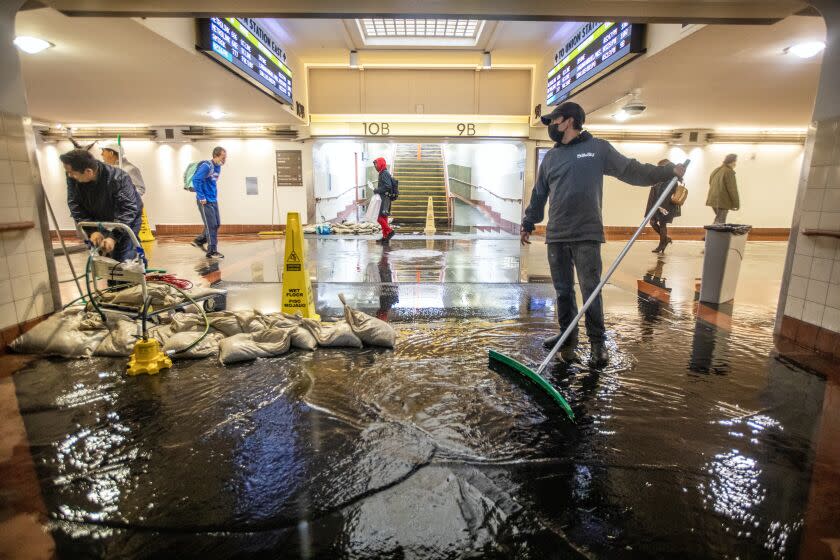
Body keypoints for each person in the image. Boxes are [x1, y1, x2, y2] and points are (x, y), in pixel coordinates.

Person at [521, 102, 685, 368]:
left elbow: (632, 170)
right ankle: (567, 337)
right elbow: (539, 193)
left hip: (587, 233)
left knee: (590, 291)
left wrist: (667, 171)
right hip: (557, 235)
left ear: (570, 121)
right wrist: (529, 222)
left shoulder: (598, 149)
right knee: (563, 291)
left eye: (554, 120)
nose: (551, 126)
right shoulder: (551, 157)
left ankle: (597, 343)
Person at [60, 148, 142, 263]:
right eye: (68, 172)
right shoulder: (73, 179)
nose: (69, 175)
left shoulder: (118, 178)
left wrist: (114, 237)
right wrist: (92, 231)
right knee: (104, 253)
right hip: (101, 217)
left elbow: (128, 210)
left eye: (71, 173)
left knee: (123, 254)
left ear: (88, 171)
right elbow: (75, 204)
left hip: (128, 218)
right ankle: (116, 277)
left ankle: (135, 275)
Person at [191, 146, 226, 258]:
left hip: (213, 199)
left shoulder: (218, 167)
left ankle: (199, 240)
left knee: (216, 224)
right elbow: (196, 180)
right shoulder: (207, 166)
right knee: (211, 225)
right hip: (204, 201)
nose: (224, 160)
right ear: (216, 156)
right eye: (223, 157)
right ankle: (212, 251)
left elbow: (211, 183)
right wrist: (201, 197)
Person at [645, 159, 683, 253]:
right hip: (656, 204)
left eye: (661, 167)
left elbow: (668, 193)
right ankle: (665, 239)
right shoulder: (660, 177)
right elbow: (655, 191)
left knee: (662, 224)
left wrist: (662, 207)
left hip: (665, 205)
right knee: (652, 222)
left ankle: (662, 244)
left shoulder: (672, 178)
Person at [706, 153, 739, 224]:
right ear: (732, 161)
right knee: (720, 222)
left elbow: (710, 182)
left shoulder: (716, 170)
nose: (735, 164)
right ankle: (709, 235)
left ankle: (710, 235)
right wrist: (736, 204)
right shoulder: (729, 172)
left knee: (718, 220)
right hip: (722, 201)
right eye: (735, 161)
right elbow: (732, 189)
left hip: (713, 200)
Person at [372, 157, 396, 244]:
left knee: (379, 218)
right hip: (385, 198)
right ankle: (385, 237)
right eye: (374, 164)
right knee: (384, 217)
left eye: (376, 164)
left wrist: (377, 190)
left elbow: (388, 186)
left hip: (385, 199)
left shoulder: (384, 173)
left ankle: (390, 231)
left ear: (380, 163)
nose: (375, 166)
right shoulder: (382, 173)